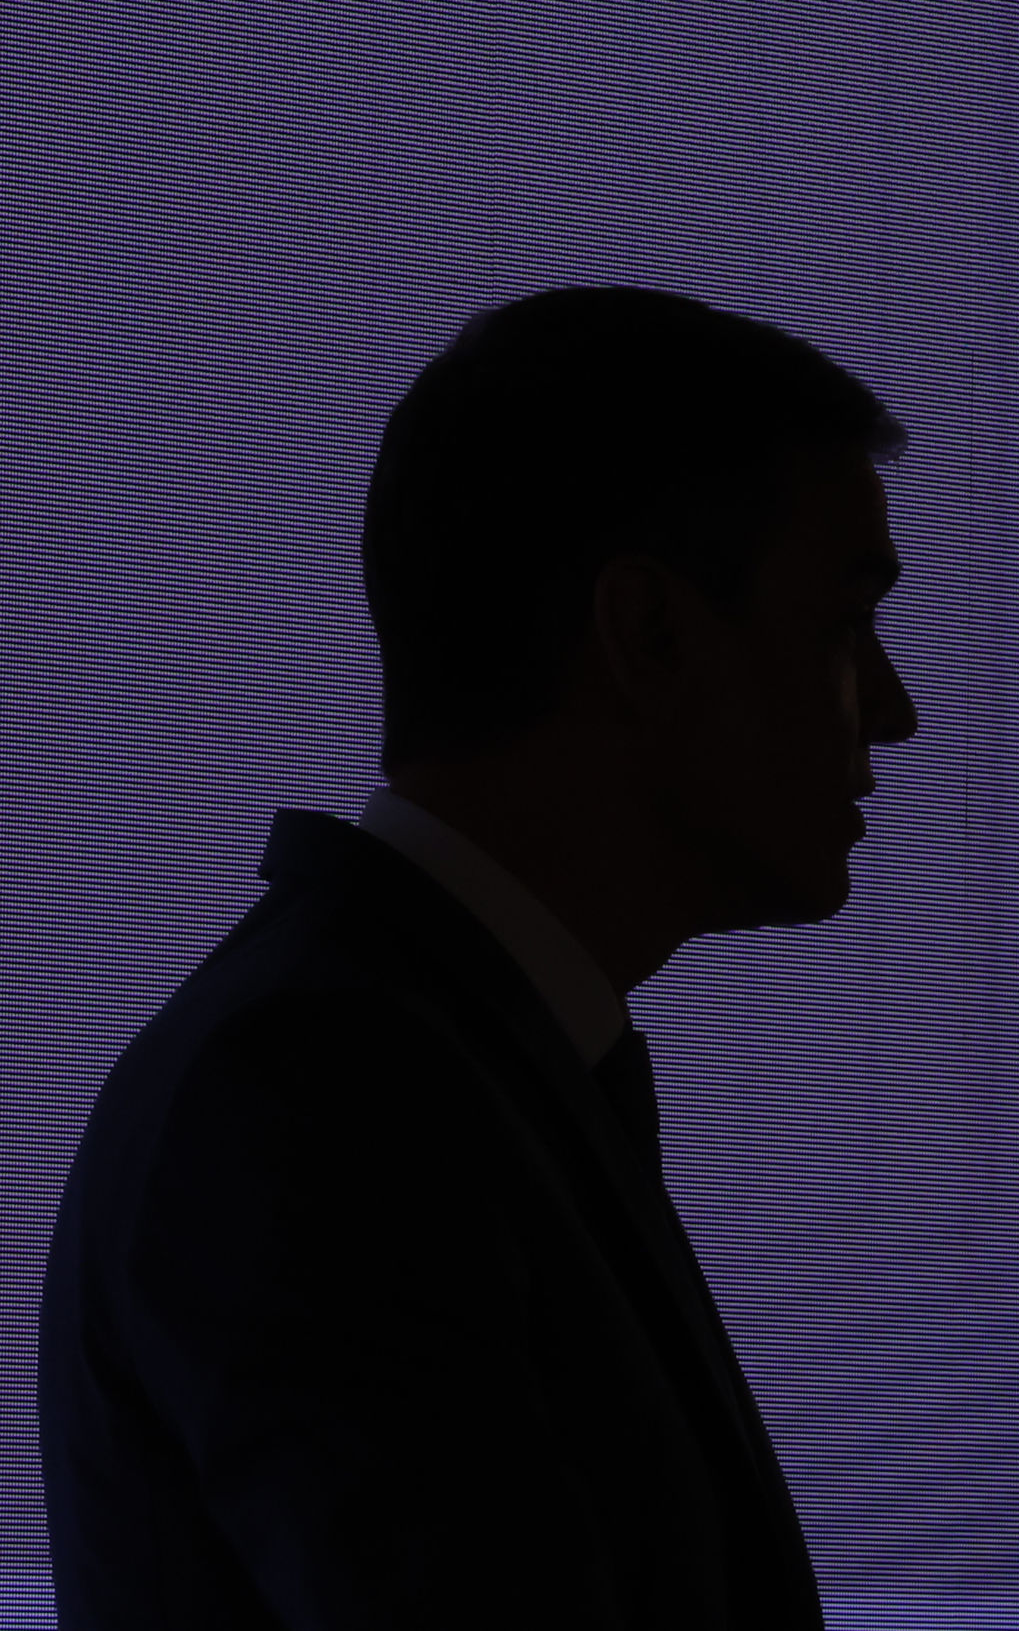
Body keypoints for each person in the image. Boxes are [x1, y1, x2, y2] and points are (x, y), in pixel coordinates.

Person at [38, 286, 919, 1629]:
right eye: (844, 624)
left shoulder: (424, 1067)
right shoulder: (327, 1098)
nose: (894, 710)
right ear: (648, 635)